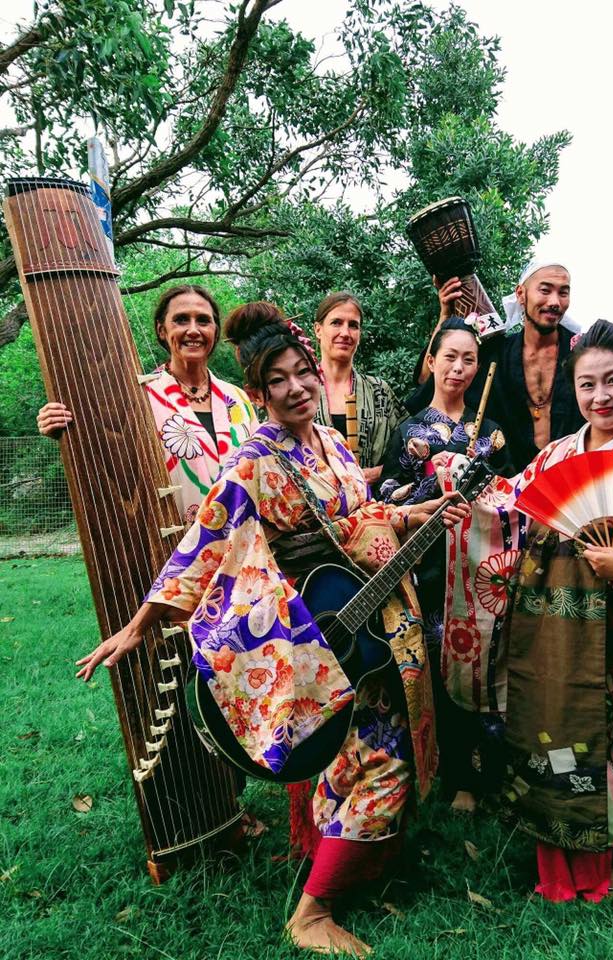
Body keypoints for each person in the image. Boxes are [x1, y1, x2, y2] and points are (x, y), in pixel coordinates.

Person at [75, 301, 469, 957]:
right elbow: (207, 538)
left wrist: (412, 513)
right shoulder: (256, 459)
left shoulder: (332, 443)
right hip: (315, 629)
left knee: (351, 755)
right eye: (277, 380)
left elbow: (357, 513)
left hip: (367, 617)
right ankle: (312, 912)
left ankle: (354, 864)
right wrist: (141, 624)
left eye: (301, 372)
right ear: (258, 394)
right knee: (382, 760)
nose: (296, 388)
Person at [440, 320, 613, 901]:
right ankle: (565, 830)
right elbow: (513, 507)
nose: (600, 396)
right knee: (554, 726)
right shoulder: (559, 453)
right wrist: (467, 482)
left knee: (610, 732)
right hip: (550, 625)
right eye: (587, 385)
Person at [379, 316, 513, 813]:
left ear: (479, 368)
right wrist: (434, 484)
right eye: (450, 357)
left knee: (481, 665)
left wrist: (483, 488)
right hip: (430, 564)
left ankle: (484, 772)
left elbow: (512, 500)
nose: (459, 367)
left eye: (469, 359)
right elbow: (388, 495)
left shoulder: (492, 434)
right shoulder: (409, 430)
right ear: (431, 361)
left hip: (482, 567)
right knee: (436, 664)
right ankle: (441, 770)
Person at [36, 285, 258, 523]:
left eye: (203, 321)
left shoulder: (239, 399)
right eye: (181, 320)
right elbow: (108, 459)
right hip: (173, 540)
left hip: (247, 537)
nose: (193, 330)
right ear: (162, 330)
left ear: (215, 330)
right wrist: (65, 429)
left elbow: (260, 467)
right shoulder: (137, 397)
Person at [408, 261, 584, 471]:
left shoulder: (581, 355)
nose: (555, 301)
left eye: (563, 293)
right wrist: (445, 316)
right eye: (545, 290)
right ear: (521, 294)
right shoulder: (496, 355)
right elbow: (427, 381)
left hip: (573, 476)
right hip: (507, 482)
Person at [313, 291, 407, 487]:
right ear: (318, 330)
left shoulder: (380, 391)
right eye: (336, 323)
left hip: (376, 501)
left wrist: (377, 473)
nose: (345, 333)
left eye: (353, 325)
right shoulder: (299, 392)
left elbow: (410, 453)